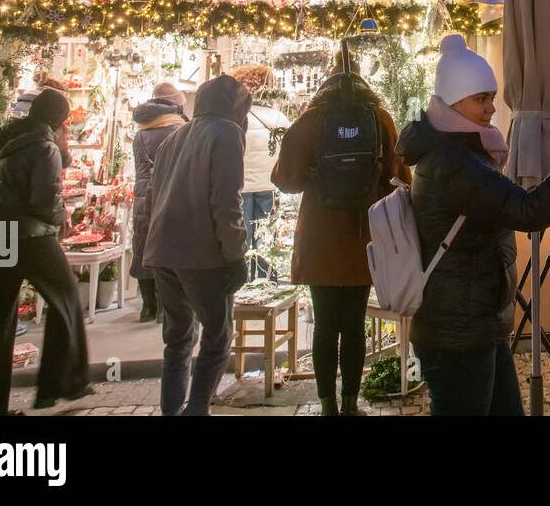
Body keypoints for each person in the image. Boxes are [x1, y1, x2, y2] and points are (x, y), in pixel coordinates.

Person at [395, 35, 550, 415]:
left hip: (472, 323)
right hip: (458, 333)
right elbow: (529, 211)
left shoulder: (456, 152)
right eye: (481, 98)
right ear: (453, 102)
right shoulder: (455, 163)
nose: (490, 107)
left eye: (492, 96)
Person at [272, 65, 408, 416]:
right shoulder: (380, 118)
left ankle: (327, 405)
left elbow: (286, 180)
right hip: (363, 236)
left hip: (320, 237)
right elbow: (400, 176)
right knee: (353, 323)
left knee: (325, 324)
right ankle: (350, 403)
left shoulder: (311, 120)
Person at [0, 88, 90, 414]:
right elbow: (45, 202)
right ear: (59, 119)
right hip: (29, 235)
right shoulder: (44, 147)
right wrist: (63, 217)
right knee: (66, 299)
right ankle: (59, 383)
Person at [143, 74, 250, 416]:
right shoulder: (227, 133)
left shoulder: (174, 137)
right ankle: (198, 407)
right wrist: (235, 254)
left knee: (176, 339)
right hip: (202, 252)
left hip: (162, 251)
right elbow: (226, 202)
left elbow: (153, 196)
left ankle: (171, 410)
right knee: (217, 337)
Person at [130, 82, 187, 322]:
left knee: (143, 245)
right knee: (171, 246)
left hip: (144, 195)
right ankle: (167, 306)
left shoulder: (141, 132)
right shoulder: (179, 131)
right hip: (172, 193)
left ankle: (147, 306)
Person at [231, 64, 291, 280]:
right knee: (267, 239)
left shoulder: (236, 118)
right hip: (269, 187)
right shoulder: (278, 118)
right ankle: (267, 284)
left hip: (242, 186)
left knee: (242, 239)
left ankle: (242, 284)